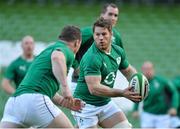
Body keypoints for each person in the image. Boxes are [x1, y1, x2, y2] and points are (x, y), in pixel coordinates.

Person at [0, 25, 85, 128]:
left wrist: (63, 102)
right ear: (77, 42)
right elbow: (57, 58)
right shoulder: (67, 50)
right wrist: (66, 88)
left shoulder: (45, 53)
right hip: (35, 101)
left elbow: (42, 88)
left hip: (14, 104)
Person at [72, 17, 142, 129]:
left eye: (104, 34)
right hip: (85, 106)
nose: (100, 38)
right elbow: (94, 89)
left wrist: (138, 82)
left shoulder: (118, 51)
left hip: (104, 103)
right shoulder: (92, 57)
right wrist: (122, 93)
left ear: (111, 34)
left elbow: (128, 71)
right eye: (97, 34)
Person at [70, 3, 124, 93]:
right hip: (81, 83)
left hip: (102, 86)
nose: (113, 18)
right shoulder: (88, 32)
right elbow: (69, 48)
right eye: (110, 14)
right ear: (102, 15)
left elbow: (121, 61)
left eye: (116, 15)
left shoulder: (117, 37)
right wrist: (76, 66)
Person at [132, 61, 179, 128]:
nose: (147, 71)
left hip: (163, 115)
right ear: (142, 70)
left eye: (149, 69)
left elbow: (174, 92)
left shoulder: (161, 81)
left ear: (153, 70)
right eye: (145, 69)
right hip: (147, 114)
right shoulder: (141, 83)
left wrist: (174, 107)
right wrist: (135, 110)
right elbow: (137, 96)